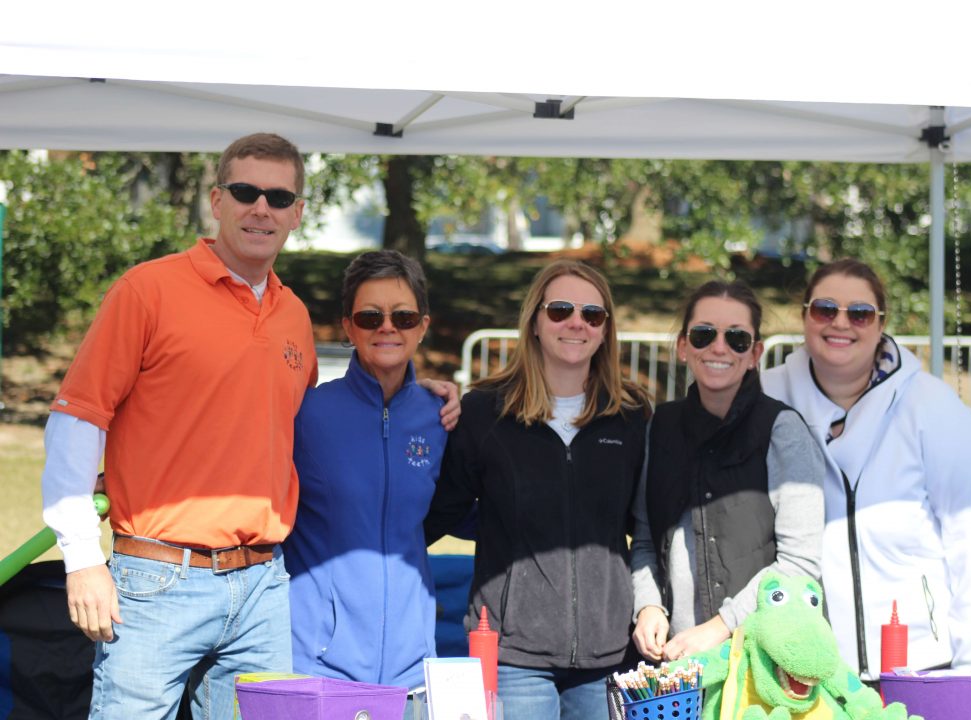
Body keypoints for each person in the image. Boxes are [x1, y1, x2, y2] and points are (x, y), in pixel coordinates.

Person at [38, 134, 458, 720]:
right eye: (245, 191)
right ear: (216, 200)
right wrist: (81, 558)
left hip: (263, 584)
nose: (262, 208)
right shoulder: (148, 290)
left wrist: (417, 394)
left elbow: (310, 430)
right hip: (159, 575)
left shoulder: (292, 316)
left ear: (298, 213)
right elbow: (77, 417)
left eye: (279, 197)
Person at [760, 258, 971, 679]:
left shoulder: (935, 408)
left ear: (881, 323)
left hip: (922, 671)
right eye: (825, 309)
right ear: (804, 315)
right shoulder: (764, 399)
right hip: (802, 671)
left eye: (859, 313)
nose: (841, 324)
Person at [424, 259, 652, 720]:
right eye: (561, 309)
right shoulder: (484, 413)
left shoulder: (631, 417)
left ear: (606, 330)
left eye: (593, 314)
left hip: (607, 655)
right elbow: (435, 515)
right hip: (512, 656)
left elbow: (647, 529)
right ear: (533, 321)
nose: (577, 323)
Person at [284, 250, 447, 714]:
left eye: (404, 316)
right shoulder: (307, 413)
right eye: (370, 316)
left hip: (413, 675)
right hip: (320, 668)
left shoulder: (441, 418)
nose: (387, 327)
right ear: (348, 327)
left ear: (423, 325)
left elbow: (473, 507)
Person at [630, 279, 825, 664]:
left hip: (764, 664)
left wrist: (721, 626)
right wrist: (648, 606)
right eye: (703, 335)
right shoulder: (661, 427)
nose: (719, 347)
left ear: (755, 354)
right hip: (676, 666)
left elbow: (800, 565)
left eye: (736, 339)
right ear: (683, 347)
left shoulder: (784, 430)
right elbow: (645, 540)